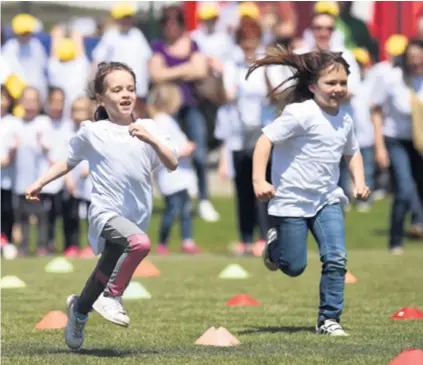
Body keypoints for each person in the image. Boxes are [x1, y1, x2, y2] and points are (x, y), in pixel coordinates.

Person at [24, 61, 178, 350]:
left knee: (103, 272)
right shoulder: (93, 132)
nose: (125, 94)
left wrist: (152, 140)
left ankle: (79, 310)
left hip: (135, 217)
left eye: (130, 88)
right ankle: (112, 296)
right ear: (100, 99)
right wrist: (40, 182)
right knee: (140, 244)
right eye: (117, 89)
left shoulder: (148, 128)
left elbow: (172, 162)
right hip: (105, 214)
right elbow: (68, 161)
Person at [251, 48, 370, 336]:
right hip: (291, 200)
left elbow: (352, 153)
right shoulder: (300, 113)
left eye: (342, 83)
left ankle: (329, 319)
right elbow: (265, 140)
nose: (337, 89)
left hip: (326, 199)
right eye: (331, 83)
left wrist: (360, 182)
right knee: (293, 266)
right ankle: (276, 244)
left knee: (336, 258)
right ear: (313, 86)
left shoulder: (345, 120)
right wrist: (259, 180)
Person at [372, 39, 423, 254]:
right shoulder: (393, 78)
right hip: (397, 139)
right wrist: (379, 146)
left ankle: (418, 223)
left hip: (420, 141)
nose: (415, 61)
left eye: (419, 56)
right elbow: (376, 110)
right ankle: (395, 239)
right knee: (404, 189)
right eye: (411, 56)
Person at [147, 83, 199, 255]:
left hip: (180, 175)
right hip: (170, 175)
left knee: (184, 209)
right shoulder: (161, 122)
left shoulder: (169, 121)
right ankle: (162, 243)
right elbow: (162, 146)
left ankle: (187, 240)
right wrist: (182, 150)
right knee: (173, 209)